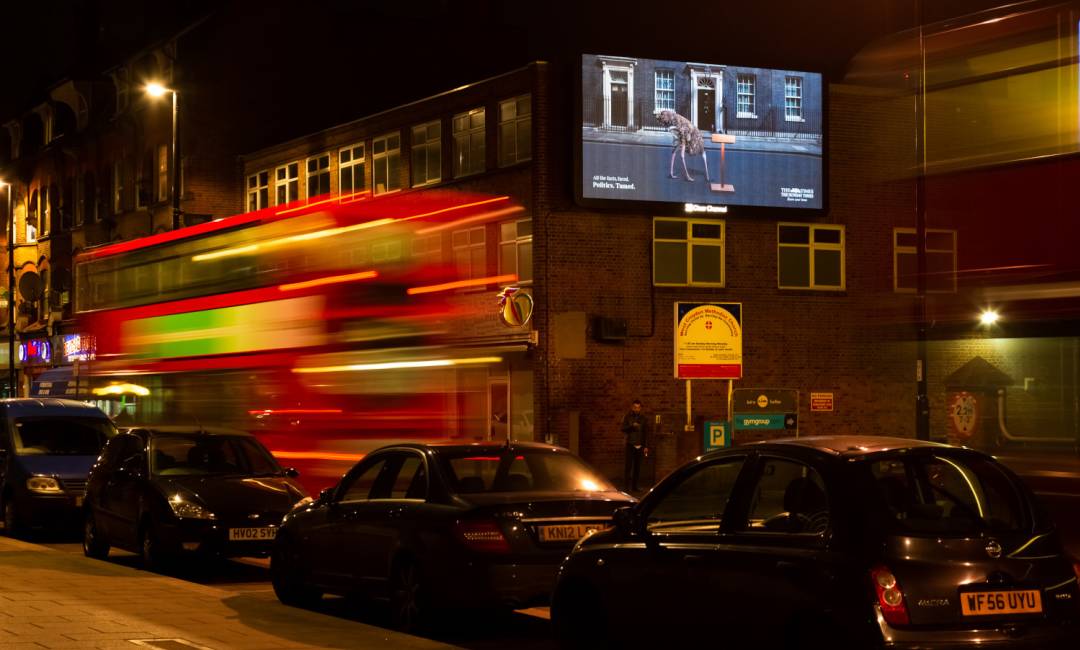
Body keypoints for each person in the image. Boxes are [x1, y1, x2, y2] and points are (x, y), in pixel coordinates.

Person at [621, 399, 650, 492]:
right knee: (628, 467)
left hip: (640, 445)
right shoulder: (627, 417)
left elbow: (646, 433)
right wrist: (632, 426)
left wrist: (645, 446)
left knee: (637, 467)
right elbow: (623, 429)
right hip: (630, 444)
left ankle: (634, 486)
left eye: (638, 407)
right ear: (632, 407)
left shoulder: (643, 418)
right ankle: (626, 487)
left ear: (640, 408)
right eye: (635, 407)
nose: (636, 409)